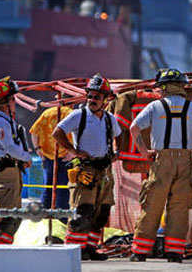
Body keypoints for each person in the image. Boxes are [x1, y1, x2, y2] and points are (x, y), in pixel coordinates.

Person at [129, 68, 192, 263]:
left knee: (152, 204)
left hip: (162, 159)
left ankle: (140, 251)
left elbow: (134, 128)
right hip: (185, 160)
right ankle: (175, 252)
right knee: (179, 207)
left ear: (164, 87)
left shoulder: (155, 106)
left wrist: (145, 152)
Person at [52, 74, 122, 261]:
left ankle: (91, 248)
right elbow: (57, 133)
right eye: (90, 96)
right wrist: (74, 151)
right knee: (83, 210)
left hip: (105, 171)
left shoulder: (109, 119)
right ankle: (76, 248)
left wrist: (117, 153)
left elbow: (120, 135)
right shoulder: (78, 116)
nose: (92, 100)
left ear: (105, 99)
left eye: (97, 97)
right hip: (86, 171)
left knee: (102, 211)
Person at [0, 78, 33, 244]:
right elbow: (9, 148)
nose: (14, 103)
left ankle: (4, 245)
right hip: (6, 171)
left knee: (14, 214)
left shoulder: (5, 121)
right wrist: (26, 157)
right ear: (5, 103)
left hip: (12, 170)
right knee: (6, 214)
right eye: (12, 99)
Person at [30, 99, 73, 210]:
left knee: (48, 186)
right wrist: (73, 153)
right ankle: (61, 217)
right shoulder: (71, 113)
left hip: (48, 156)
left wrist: (37, 148)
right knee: (63, 189)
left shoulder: (47, 113)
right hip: (66, 157)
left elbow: (34, 131)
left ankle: (45, 213)